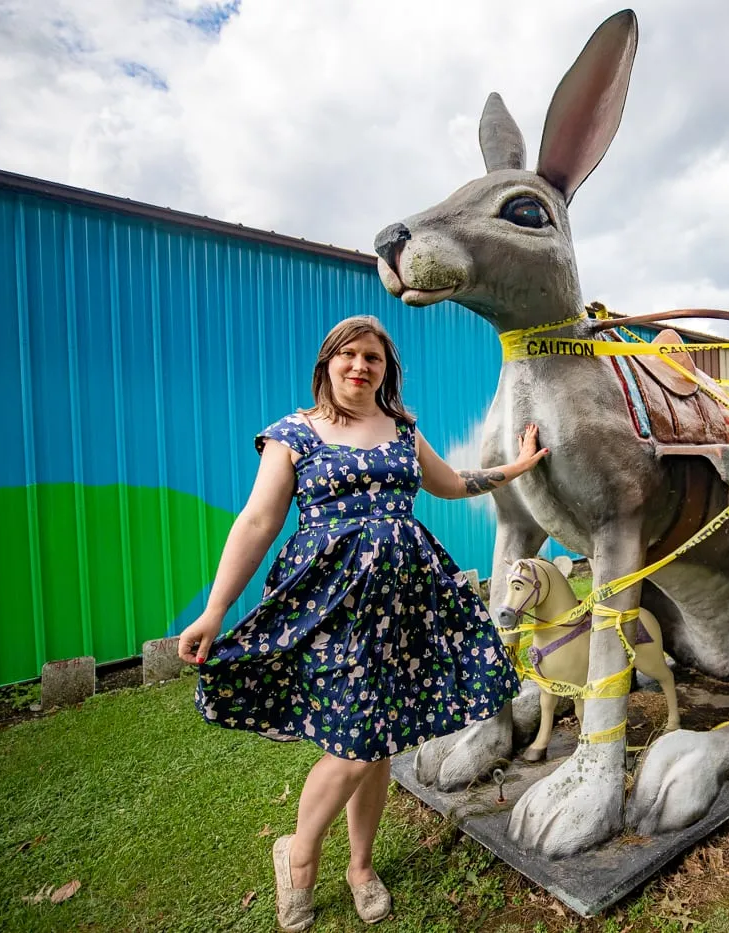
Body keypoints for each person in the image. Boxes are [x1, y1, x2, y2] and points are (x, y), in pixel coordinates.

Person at [177, 314, 548, 931]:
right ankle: (298, 858)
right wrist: (215, 609)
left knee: (377, 741)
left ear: (386, 370)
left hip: (404, 608)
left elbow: (453, 484)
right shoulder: (293, 434)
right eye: (347, 355)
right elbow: (257, 523)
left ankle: (360, 865)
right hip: (330, 609)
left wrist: (519, 466)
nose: (359, 366)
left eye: (372, 358)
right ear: (327, 364)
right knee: (352, 743)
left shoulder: (402, 428)